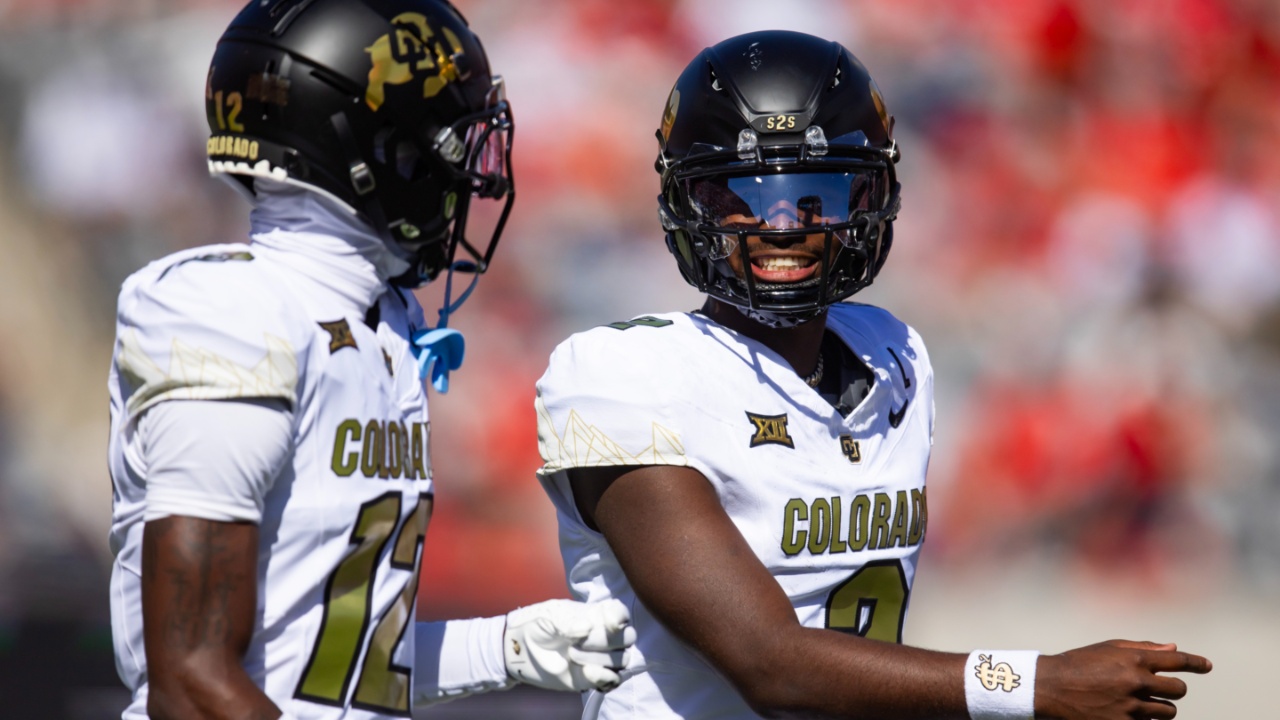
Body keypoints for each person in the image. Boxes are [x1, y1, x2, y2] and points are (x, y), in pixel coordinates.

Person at [533, 30, 1211, 720]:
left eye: (817, 190)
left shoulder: (894, 354)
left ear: (867, 198)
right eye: (744, 192)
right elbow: (768, 662)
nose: (783, 224)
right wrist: (1033, 684)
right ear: (693, 204)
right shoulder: (621, 374)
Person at [107, 1, 633, 718]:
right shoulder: (233, 311)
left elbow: (328, 663)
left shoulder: (381, 325)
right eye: (447, 142)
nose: (468, 175)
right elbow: (191, 680)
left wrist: (503, 647)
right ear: (376, 147)